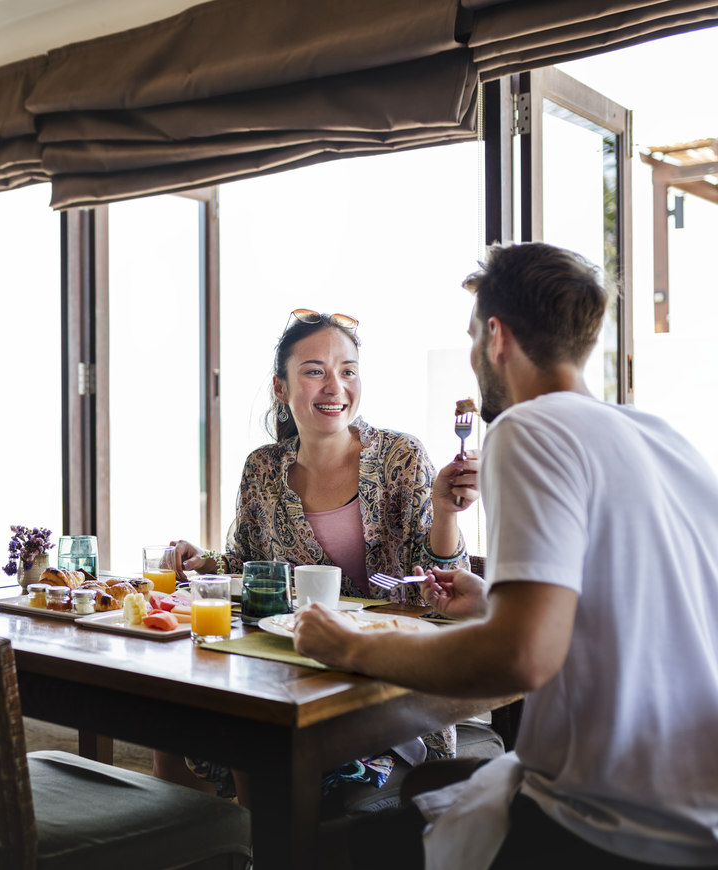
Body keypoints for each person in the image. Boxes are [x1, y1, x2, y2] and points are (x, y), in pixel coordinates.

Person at [295, 243, 718, 868]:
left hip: (609, 824)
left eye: (471, 339)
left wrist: (348, 647)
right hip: (698, 811)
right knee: (424, 789)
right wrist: (493, 602)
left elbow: (521, 656)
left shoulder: (529, 429)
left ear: (496, 337)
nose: (472, 359)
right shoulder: (663, 439)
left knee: (318, 851)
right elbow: (640, 615)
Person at [162, 308, 479, 806]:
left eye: (347, 370)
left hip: (382, 690)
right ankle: (219, 849)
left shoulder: (401, 458)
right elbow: (244, 565)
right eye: (315, 371)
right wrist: (202, 561)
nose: (335, 386)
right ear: (281, 388)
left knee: (258, 750)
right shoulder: (263, 469)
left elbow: (443, 590)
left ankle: (258, 847)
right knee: (178, 732)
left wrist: (444, 512)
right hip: (291, 673)